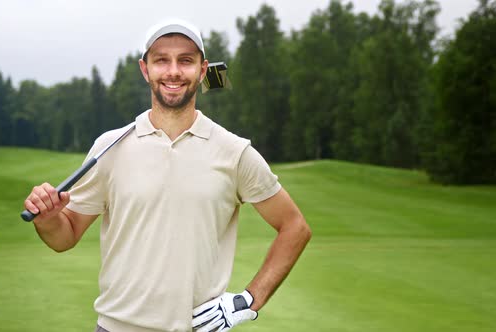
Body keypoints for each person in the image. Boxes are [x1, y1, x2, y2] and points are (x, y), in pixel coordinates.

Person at [23, 19, 311, 332]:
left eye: (185, 61)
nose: (173, 71)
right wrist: (48, 220)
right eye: (162, 60)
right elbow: (65, 237)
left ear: (202, 72)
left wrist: (248, 301)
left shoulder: (234, 152)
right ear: (145, 69)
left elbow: (295, 227)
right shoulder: (109, 148)